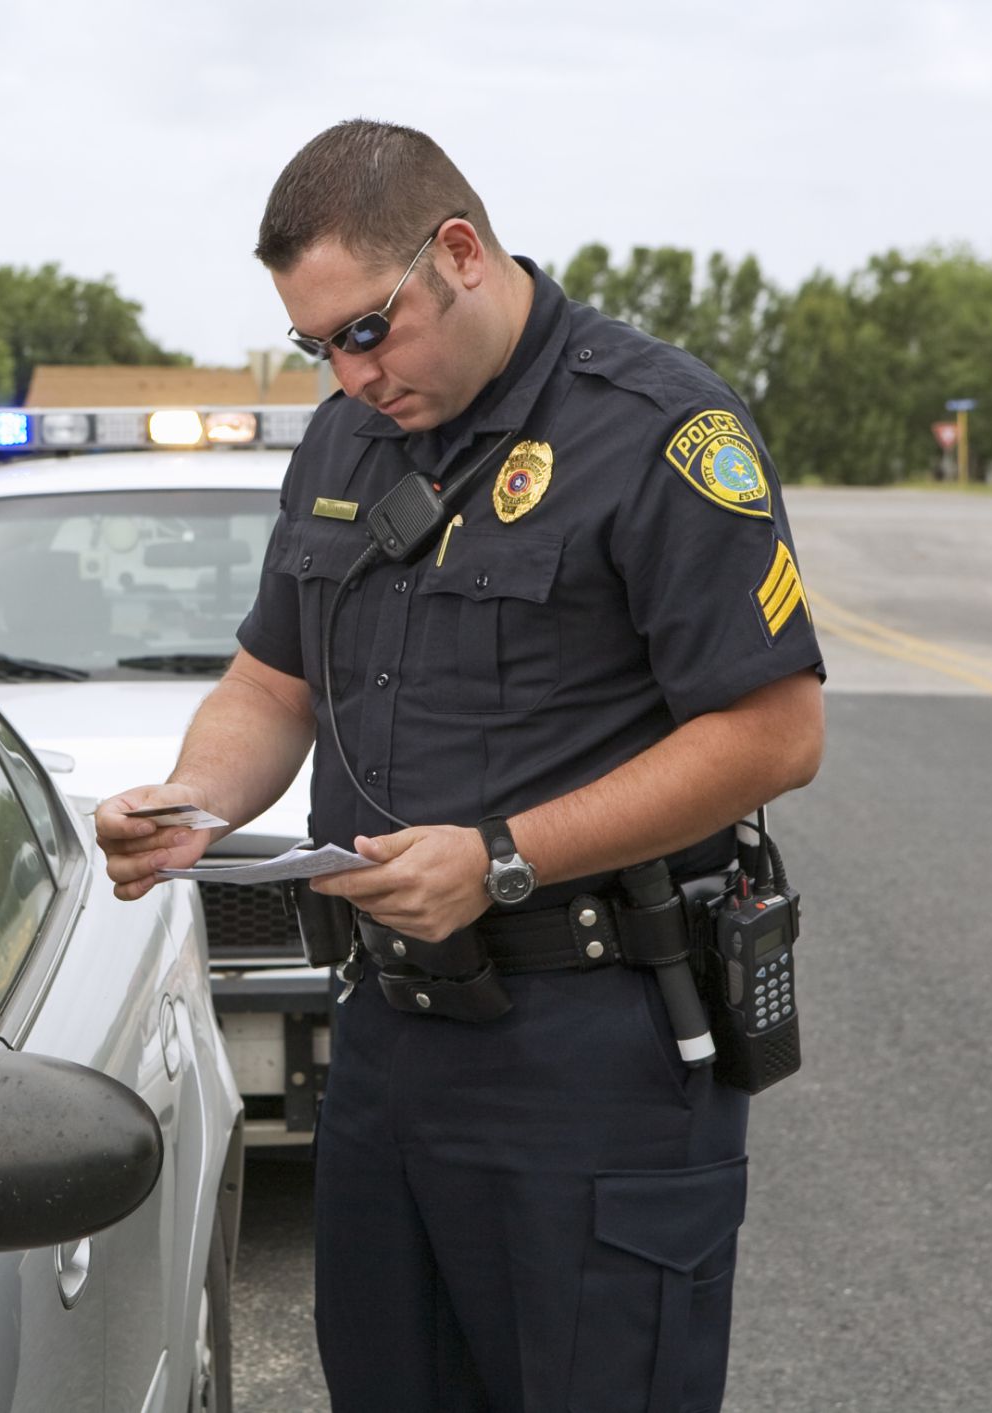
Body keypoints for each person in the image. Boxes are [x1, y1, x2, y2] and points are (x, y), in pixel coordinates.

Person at [96, 120, 825, 1412]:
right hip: (389, 1050)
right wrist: (194, 800)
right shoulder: (346, 444)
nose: (349, 373)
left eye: (367, 330)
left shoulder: (658, 428)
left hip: (594, 1058)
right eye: (314, 345)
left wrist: (501, 857)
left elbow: (773, 732)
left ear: (459, 254)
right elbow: (273, 685)